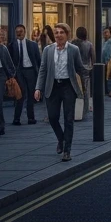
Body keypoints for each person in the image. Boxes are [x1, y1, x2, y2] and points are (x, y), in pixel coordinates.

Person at [35, 22, 86, 162]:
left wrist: (88, 82)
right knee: (52, 117)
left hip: (68, 86)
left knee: (69, 119)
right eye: (56, 33)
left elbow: (80, 68)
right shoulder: (48, 50)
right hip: (53, 86)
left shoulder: (74, 50)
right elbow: (43, 69)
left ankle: (67, 151)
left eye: (61, 32)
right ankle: (61, 139)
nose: (58, 35)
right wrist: (38, 88)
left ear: (67, 34)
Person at [9, 24, 41, 125]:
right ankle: (16, 118)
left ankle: (31, 118)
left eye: (21, 31)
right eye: (17, 32)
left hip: (30, 70)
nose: (19, 33)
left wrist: (40, 73)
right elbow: (9, 61)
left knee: (31, 94)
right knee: (20, 94)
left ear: (25, 32)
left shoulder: (33, 45)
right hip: (19, 72)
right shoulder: (11, 46)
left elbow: (38, 60)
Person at [73, 26, 94, 117]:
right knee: (85, 90)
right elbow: (93, 58)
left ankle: (76, 110)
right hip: (86, 69)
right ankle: (84, 110)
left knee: (76, 89)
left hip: (76, 69)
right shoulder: (89, 44)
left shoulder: (73, 44)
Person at [101, 27, 111, 97]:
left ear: (110, 33)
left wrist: (109, 60)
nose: (105, 34)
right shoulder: (104, 41)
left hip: (109, 61)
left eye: (107, 32)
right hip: (104, 62)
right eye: (104, 32)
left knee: (110, 77)